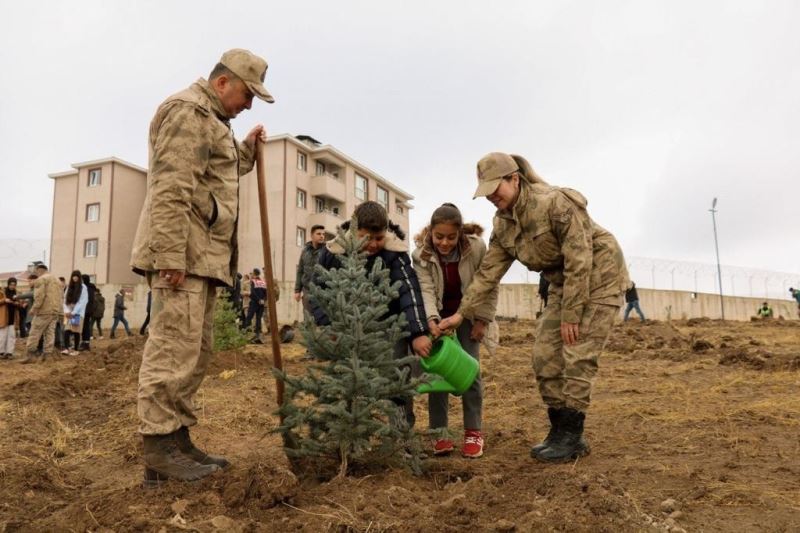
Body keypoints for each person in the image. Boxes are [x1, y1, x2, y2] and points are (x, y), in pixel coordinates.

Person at [130, 48, 272, 485]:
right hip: (183, 257)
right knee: (172, 350)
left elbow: (219, 173)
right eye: (248, 94)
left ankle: (176, 440)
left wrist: (246, 150)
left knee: (193, 353)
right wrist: (170, 256)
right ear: (223, 82)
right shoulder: (187, 113)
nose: (248, 105)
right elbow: (171, 188)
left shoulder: (214, 123)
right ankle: (158, 446)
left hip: (204, 259)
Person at [439, 153, 629, 464]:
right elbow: (488, 273)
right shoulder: (503, 224)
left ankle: (571, 435)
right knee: (543, 355)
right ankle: (559, 431)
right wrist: (461, 314)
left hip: (598, 278)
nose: (491, 197)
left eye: (495, 189)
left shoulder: (555, 202)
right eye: (485, 192)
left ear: (514, 179)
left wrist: (571, 314)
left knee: (577, 354)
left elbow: (580, 260)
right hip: (562, 284)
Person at [311, 201, 431, 428]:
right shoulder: (333, 252)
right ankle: (347, 436)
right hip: (345, 330)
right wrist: (328, 326)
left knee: (397, 381)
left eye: (379, 238)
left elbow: (409, 291)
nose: (374, 245)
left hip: (389, 328)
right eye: (367, 238)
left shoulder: (395, 253)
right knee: (348, 382)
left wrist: (418, 332)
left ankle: (401, 437)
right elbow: (317, 291)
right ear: (354, 231)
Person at [412, 203, 497, 458]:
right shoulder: (421, 255)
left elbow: (488, 285)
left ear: (460, 233)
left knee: (470, 370)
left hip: (468, 316)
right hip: (438, 319)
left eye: (451, 237)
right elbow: (425, 290)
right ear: (431, 232)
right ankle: (440, 433)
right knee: (437, 372)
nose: (445, 243)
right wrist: (432, 321)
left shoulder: (477, 248)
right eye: (439, 237)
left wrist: (482, 319)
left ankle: (473, 432)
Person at [21, 264, 64, 364]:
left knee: (34, 332)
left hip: (43, 311)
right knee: (50, 333)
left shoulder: (41, 279)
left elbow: (39, 295)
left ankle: (30, 355)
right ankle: (48, 355)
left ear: (39, 270)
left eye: (36, 272)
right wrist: (60, 312)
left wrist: (34, 308)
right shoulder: (57, 281)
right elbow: (61, 297)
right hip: (54, 311)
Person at [294, 224, 326, 315]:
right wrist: (297, 291)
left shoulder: (327, 251)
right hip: (307, 289)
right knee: (308, 318)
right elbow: (300, 270)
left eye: (323, 234)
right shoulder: (305, 251)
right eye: (318, 234)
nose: (322, 236)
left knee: (321, 319)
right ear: (312, 235)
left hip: (322, 291)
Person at [62, 270, 88, 356]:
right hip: (68, 313)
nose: (75, 277)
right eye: (73, 276)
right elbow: (64, 300)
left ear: (79, 277)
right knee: (67, 330)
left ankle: (76, 350)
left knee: (76, 330)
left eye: (76, 276)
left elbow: (83, 301)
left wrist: (74, 312)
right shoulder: (69, 287)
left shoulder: (83, 287)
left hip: (77, 313)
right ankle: (66, 348)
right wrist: (67, 311)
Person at [243, 268, 267, 343]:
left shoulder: (253, 281)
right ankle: (258, 333)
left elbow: (252, 292)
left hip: (254, 302)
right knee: (258, 318)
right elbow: (266, 292)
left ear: (254, 274)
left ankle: (247, 333)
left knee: (249, 317)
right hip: (261, 304)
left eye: (252, 273)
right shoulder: (263, 282)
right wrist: (262, 300)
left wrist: (257, 300)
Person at [1, 278, 21, 359]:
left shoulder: (17, 293)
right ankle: (1, 352)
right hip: (3, 317)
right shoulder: (2, 292)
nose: (12, 286)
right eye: (11, 284)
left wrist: (17, 303)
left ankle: (9, 352)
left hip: (13, 317)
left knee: (12, 336)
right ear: (8, 284)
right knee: (2, 336)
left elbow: (20, 304)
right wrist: (4, 300)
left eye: (14, 285)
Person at [79, 274, 97, 350]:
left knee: (85, 327)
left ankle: (85, 343)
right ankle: (85, 342)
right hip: (89, 310)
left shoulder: (86, 288)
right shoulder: (91, 287)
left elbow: (85, 300)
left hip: (85, 310)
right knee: (85, 326)